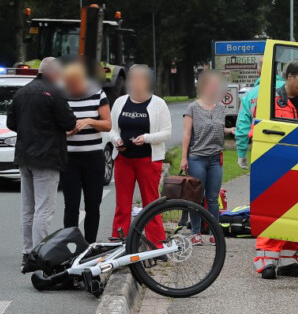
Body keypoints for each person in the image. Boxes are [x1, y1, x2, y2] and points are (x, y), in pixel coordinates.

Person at [7, 57, 77, 272]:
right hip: (47, 158)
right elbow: (70, 123)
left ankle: (27, 253)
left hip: (24, 158)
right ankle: (39, 255)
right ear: (54, 74)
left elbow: (11, 123)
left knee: (27, 208)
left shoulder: (22, 92)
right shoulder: (54, 93)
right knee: (44, 210)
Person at [254, 60, 298, 280]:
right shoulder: (271, 101)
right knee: (273, 213)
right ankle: (267, 262)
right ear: (289, 77)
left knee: (296, 213)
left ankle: (289, 261)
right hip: (274, 165)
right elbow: (257, 129)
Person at [106, 64, 171, 244]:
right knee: (122, 204)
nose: (133, 83)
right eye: (131, 79)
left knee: (151, 202)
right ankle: (119, 240)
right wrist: (116, 140)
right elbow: (110, 129)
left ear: (147, 82)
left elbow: (167, 132)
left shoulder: (158, 104)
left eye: (138, 79)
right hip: (124, 160)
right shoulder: (120, 102)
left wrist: (146, 138)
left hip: (148, 160)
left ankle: (156, 242)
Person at [60, 62, 111, 244]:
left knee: (93, 204)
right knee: (71, 205)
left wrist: (90, 121)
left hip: (93, 157)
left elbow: (107, 124)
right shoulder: (61, 94)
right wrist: (67, 131)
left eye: (76, 85)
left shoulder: (97, 93)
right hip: (70, 157)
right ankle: (70, 247)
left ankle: (89, 245)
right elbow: (55, 124)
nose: (73, 89)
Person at [182, 70, 227, 239]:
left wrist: (230, 130)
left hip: (216, 158)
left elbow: (219, 128)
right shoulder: (192, 108)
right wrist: (184, 158)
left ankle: (214, 233)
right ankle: (196, 232)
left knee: (213, 198)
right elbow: (186, 134)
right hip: (197, 158)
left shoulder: (221, 107)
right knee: (197, 198)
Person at [235, 82, 258, 170]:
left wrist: (241, 154)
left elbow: (242, 126)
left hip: (262, 143)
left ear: (259, 72)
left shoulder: (250, 95)